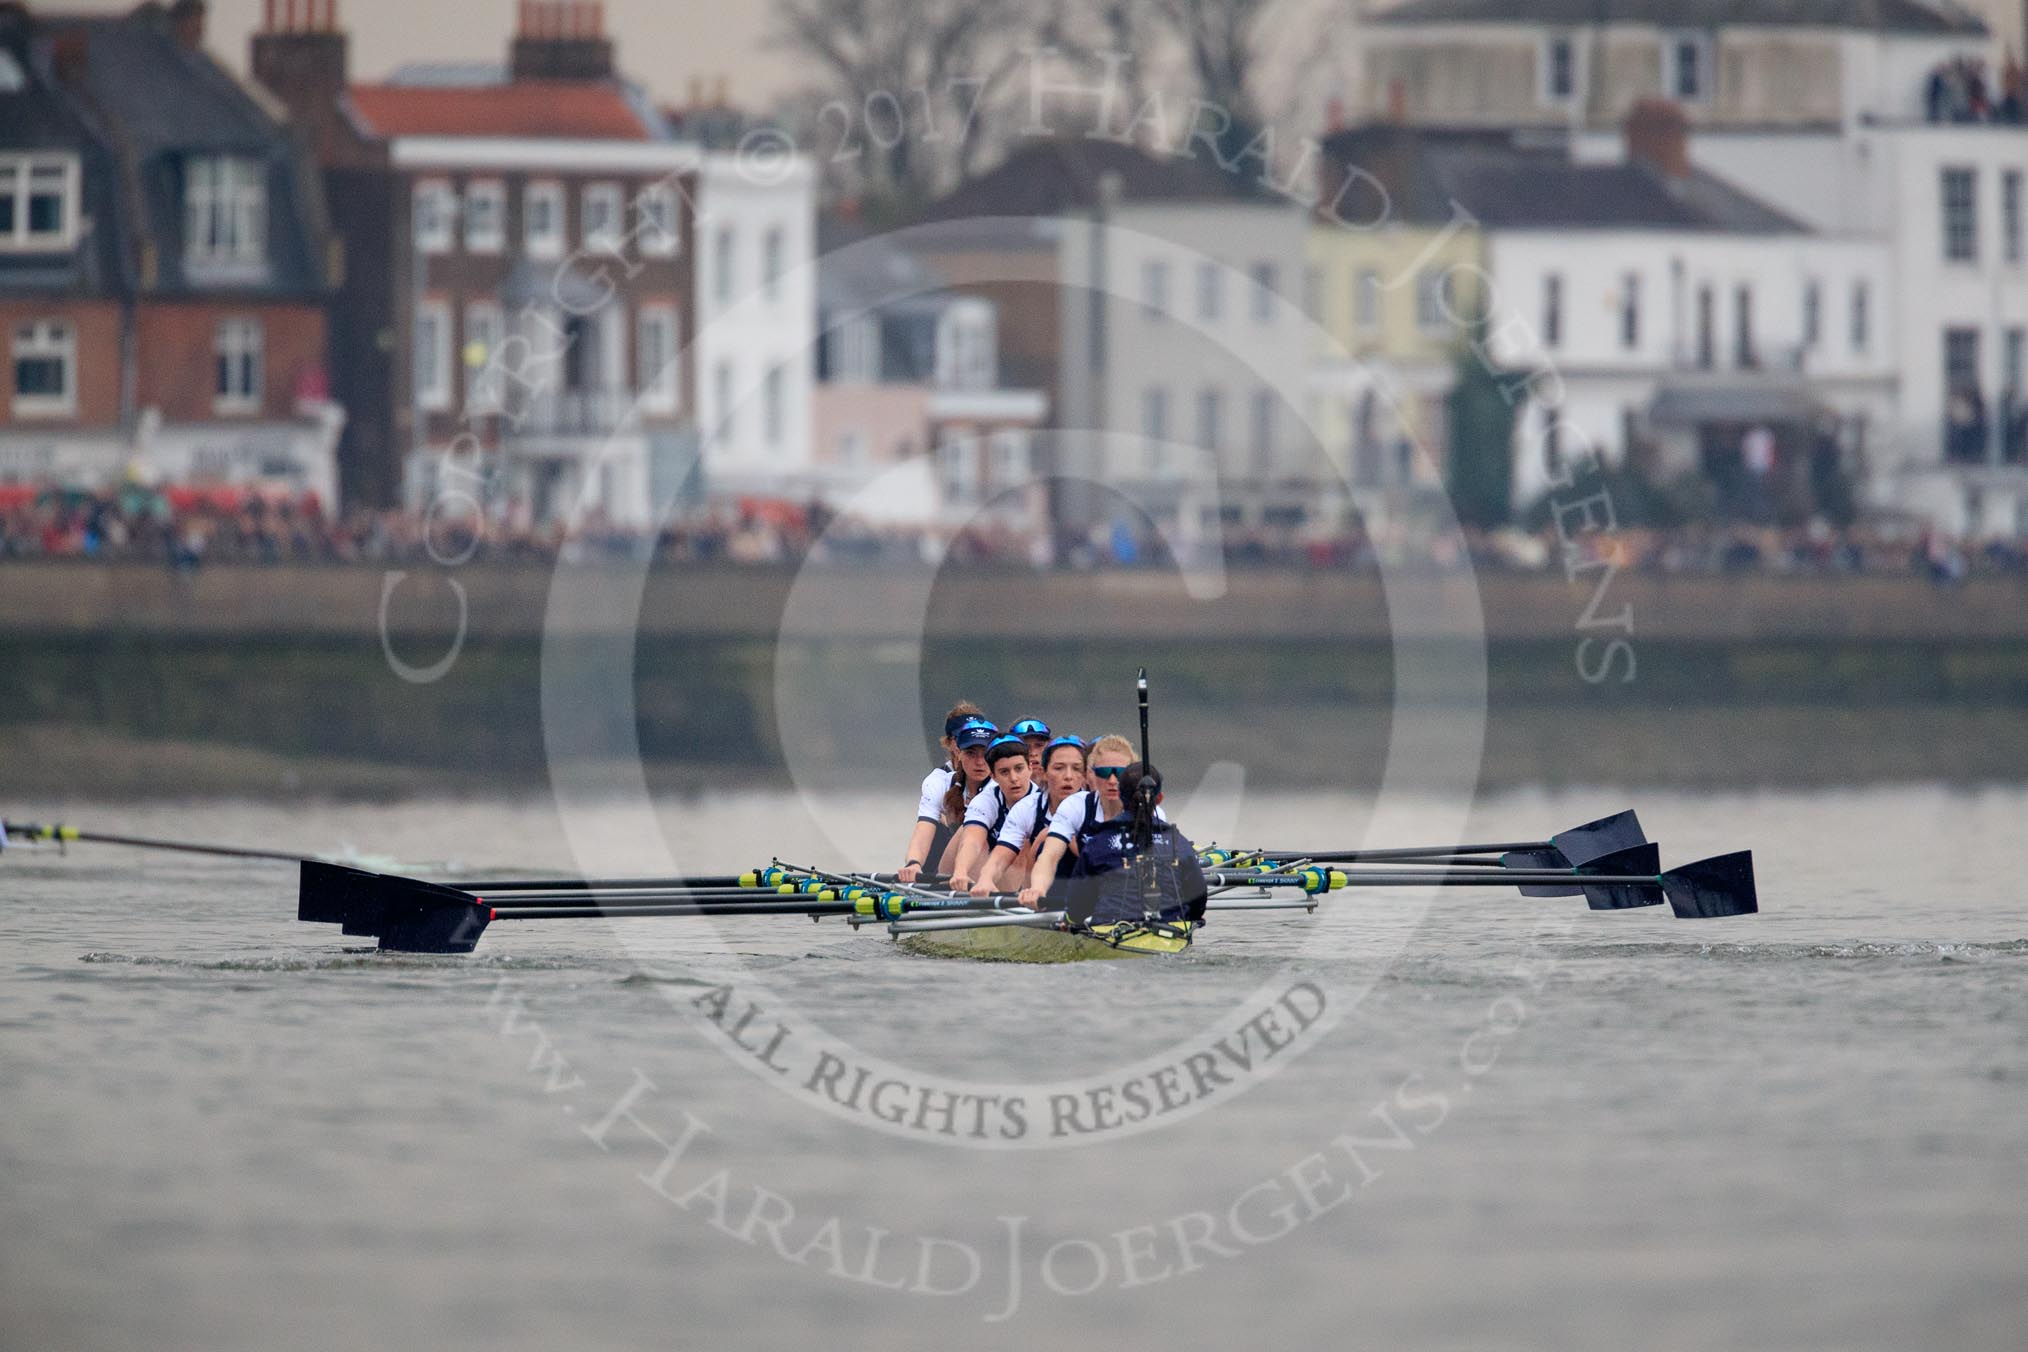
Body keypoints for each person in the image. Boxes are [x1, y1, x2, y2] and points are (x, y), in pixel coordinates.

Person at [1015, 733, 1166, 908]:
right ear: (1089, 775)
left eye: (1120, 772)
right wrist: (1038, 890)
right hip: (1074, 895)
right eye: (1103, 772)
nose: (1112, 780)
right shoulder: (1076, 806)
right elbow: (1049, 856)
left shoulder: (1151, 812)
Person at [1061, 763, 1207, 930]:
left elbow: (1078, 904)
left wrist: (1071, 921)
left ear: (1120, 796)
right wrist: (1193, 918)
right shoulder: (1178, 842)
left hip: (1111, 933)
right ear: (1159, 799)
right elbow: (1198, 897)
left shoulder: (1099, 842)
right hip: (1172, 933)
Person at [966, 734, 1088, 897]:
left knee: (1049, 835)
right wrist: (986, 878)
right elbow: (1001, 856)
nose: (1068, 776)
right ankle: (1031, 894)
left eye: (1076, 768)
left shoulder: (1097, 805)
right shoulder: (1027, 808)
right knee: (1043, 838)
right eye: (1058, 768)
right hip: (1043, 888)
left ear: (1085, 775)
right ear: (1043, 772)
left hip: (1095, 883)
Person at [896, 704, 986, 883]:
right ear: (954, 745)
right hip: (946, 863)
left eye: (984, 751)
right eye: (971, 751)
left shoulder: (1004, 778)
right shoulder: (938, 781)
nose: (979, 761)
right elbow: (924, 829)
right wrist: (913, 863)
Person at [946, 735, 1043, 892]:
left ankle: (1003, 902)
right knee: (965, 831)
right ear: (993, 776)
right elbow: (973, 841)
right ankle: (958, 883)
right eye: (1004, 772)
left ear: (1030, 768)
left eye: (1019, 769)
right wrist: (960, 872)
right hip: (984, 870)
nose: (1013, 778)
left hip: (1024, 879)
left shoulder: (1041, 803)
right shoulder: (986, 799)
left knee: (1025, 843)